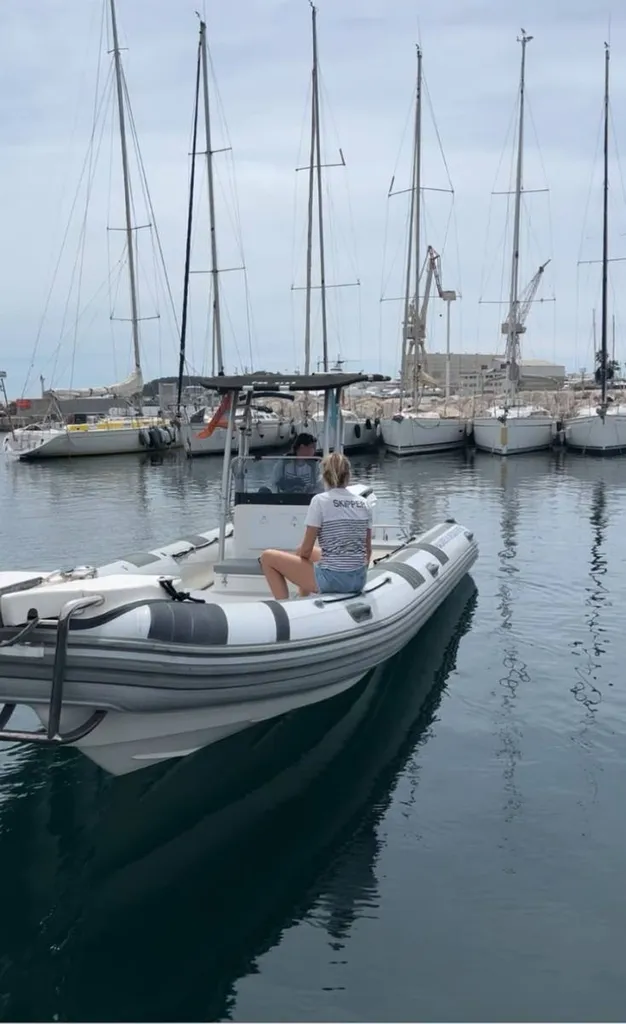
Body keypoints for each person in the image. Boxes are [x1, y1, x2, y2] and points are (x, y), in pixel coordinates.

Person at [260, 451, 372, 600]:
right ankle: (303, 598)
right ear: (348, 475)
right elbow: (367, 550)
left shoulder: (320, 501)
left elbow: (306, 551)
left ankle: (285, 605)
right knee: (303, 551)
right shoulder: (364, 503)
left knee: (268, 557)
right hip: (358, 580)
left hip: (332, 580)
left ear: (324, 476)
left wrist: (299, 568)